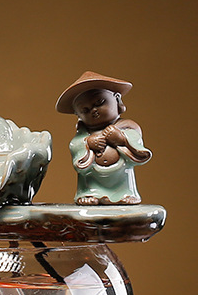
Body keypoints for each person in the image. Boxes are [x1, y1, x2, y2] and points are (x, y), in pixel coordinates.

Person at [55, 72, 151, 205]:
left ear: (117, 99)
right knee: (88, 180)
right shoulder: (83, 135)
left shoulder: (127, 126)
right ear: (78, 115)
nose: (93, 110)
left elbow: (137, 144)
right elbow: (75, 146)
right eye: (85, 110)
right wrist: (88, 143)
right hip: (93, 180)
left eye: (99, 102)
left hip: (121, 177)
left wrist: (121, 139)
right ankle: (88, 193)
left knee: (125, 181)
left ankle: (127, 193)